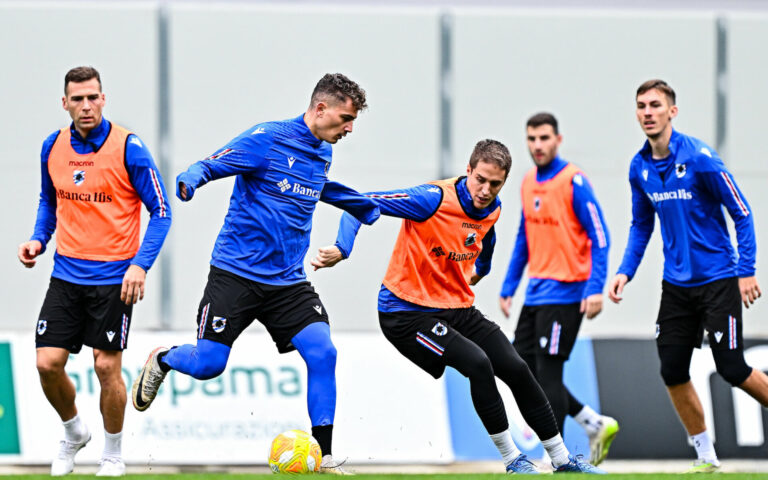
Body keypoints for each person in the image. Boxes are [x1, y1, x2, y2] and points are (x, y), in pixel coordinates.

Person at [131, 73, 379, 474]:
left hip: (287, 283)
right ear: (320, 109)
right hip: (235, 274)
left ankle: (325, 455)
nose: (349, 128)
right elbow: (212, 163)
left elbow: (317, 188)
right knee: (209, 365)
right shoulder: (266, 138)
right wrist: (189, 180)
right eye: (345, 118)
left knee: (323, 352)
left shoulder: (323, 151)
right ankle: (164, 359)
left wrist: (357, 210)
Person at [313, 139, 604, 474]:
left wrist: (481, 270)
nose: (485, 190)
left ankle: (562, 460)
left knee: (517, 368)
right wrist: (341, 247)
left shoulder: (493, 208)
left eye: (495, 184)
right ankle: (514, 460)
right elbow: (360, 204)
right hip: (405, 313)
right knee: (478, 364)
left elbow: (487, 242)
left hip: (455, 306)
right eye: (480, 179)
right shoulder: (431, 199)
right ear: (468, 170)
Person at [17, 66, 172, 477]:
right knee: (46, 364)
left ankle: (113, 454)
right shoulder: (52, 145)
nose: (86, 106)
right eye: (77, 99)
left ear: (103, 99)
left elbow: (161, 211)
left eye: (93, 97)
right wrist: (38, 239)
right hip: (66, 274)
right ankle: (74, 431)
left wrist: (140, 264)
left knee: (106, 367)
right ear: (64, 103)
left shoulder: (129, 147)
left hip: (115, 278)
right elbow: (49, 201)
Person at [608, 79, 768, 473]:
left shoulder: (699, 158)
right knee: (672, 369)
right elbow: (641, 225)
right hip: (676, 287)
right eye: (641, 106)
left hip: (718, 281)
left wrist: (745, 271)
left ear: (672, 112)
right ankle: (706, 457)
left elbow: (742, 213)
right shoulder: (639, 167)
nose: (647, 112)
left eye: (655, 105)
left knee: (731, 367)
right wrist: (625, 271)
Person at [499, 113, 618, 466]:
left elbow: (600, 236)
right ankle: (592, 423)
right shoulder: (526, 182)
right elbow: (524, 236)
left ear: (558, 140)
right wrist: (509, 285)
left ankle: (559, 459)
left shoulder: (573, 181)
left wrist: (595, 288)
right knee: (519, 368)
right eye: (531, 139)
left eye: (544, 138)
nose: (537, 145)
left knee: (549, 372)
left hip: (567, 293)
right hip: (535, 294)